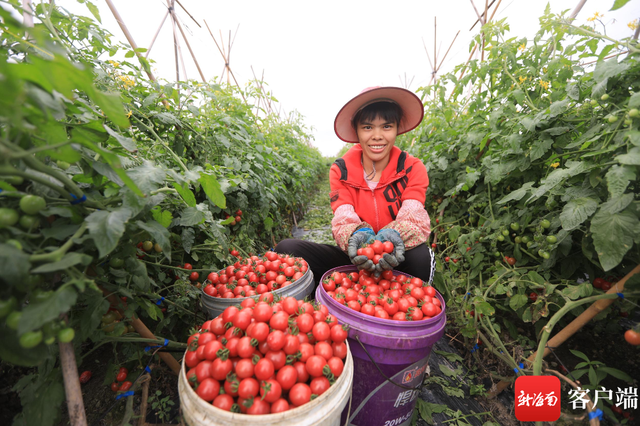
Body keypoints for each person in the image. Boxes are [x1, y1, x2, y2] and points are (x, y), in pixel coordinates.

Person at [275, 86, 434, 286]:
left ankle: (407, 300)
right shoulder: (341, 170)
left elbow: (413, 216)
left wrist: (391, 240)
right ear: (356, 131)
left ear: (396, 129)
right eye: (367, 127)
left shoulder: (412, 168)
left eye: (387, 126)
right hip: (355, 258)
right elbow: (343, 217)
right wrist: (359, 237)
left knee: (421, 257)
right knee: (287, 248)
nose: (377, 135)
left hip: (397, 258)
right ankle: (347, 290)